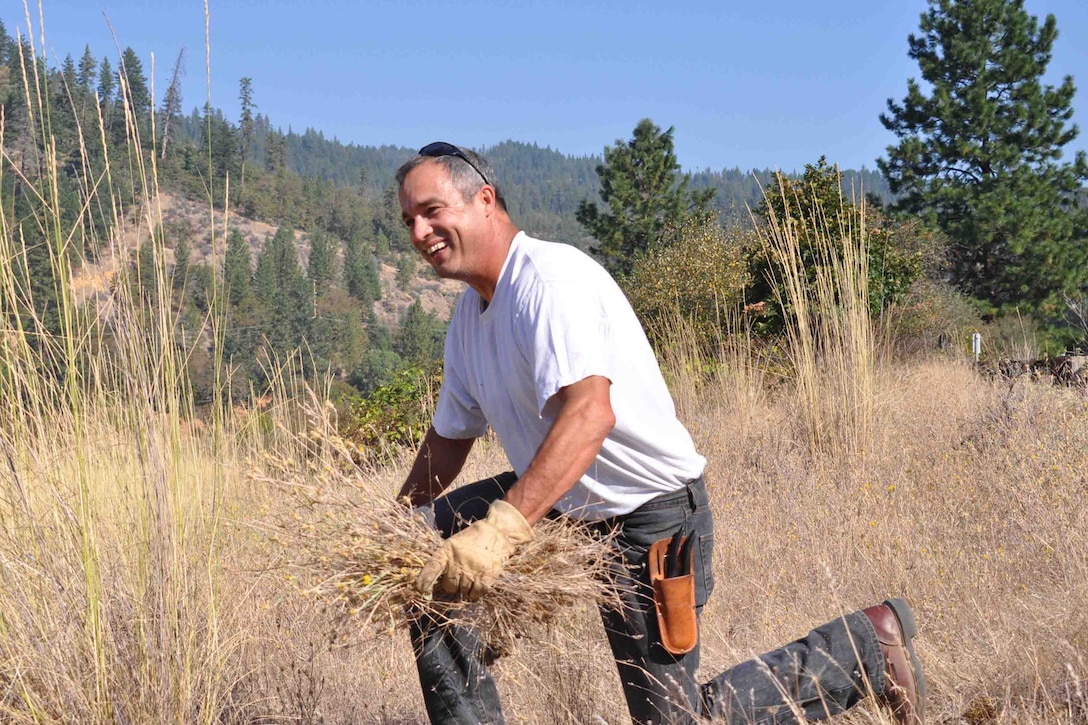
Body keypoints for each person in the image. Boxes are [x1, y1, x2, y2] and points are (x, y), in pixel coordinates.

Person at [394, 142, 925, 725]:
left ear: (484, 200)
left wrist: (500, 531)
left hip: (651, 517)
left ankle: (864, 650)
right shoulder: (470, 319)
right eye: (409, 220)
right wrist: (392, 526)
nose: (420, 232)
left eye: (432, 211)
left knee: (671, 718)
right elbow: (449, 437)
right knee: (418, 556)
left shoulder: (548, 281)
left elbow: (590, 415)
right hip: (565, 501)